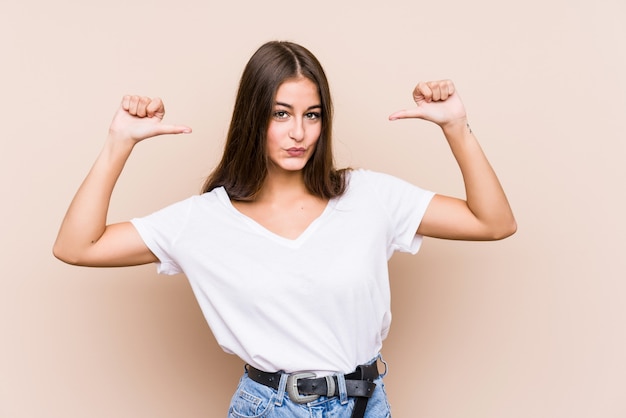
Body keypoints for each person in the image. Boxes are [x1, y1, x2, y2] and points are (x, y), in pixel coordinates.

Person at [53, 40, 516, 418]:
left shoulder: (368, 196)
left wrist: (456, 126)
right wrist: (119, 142)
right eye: (281, 114)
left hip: (365, 404)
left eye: (311, 115)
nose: (299, 133)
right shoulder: (205, 221)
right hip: (271, 409)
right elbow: (77, 246)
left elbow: (493, 222)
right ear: (253, 118)